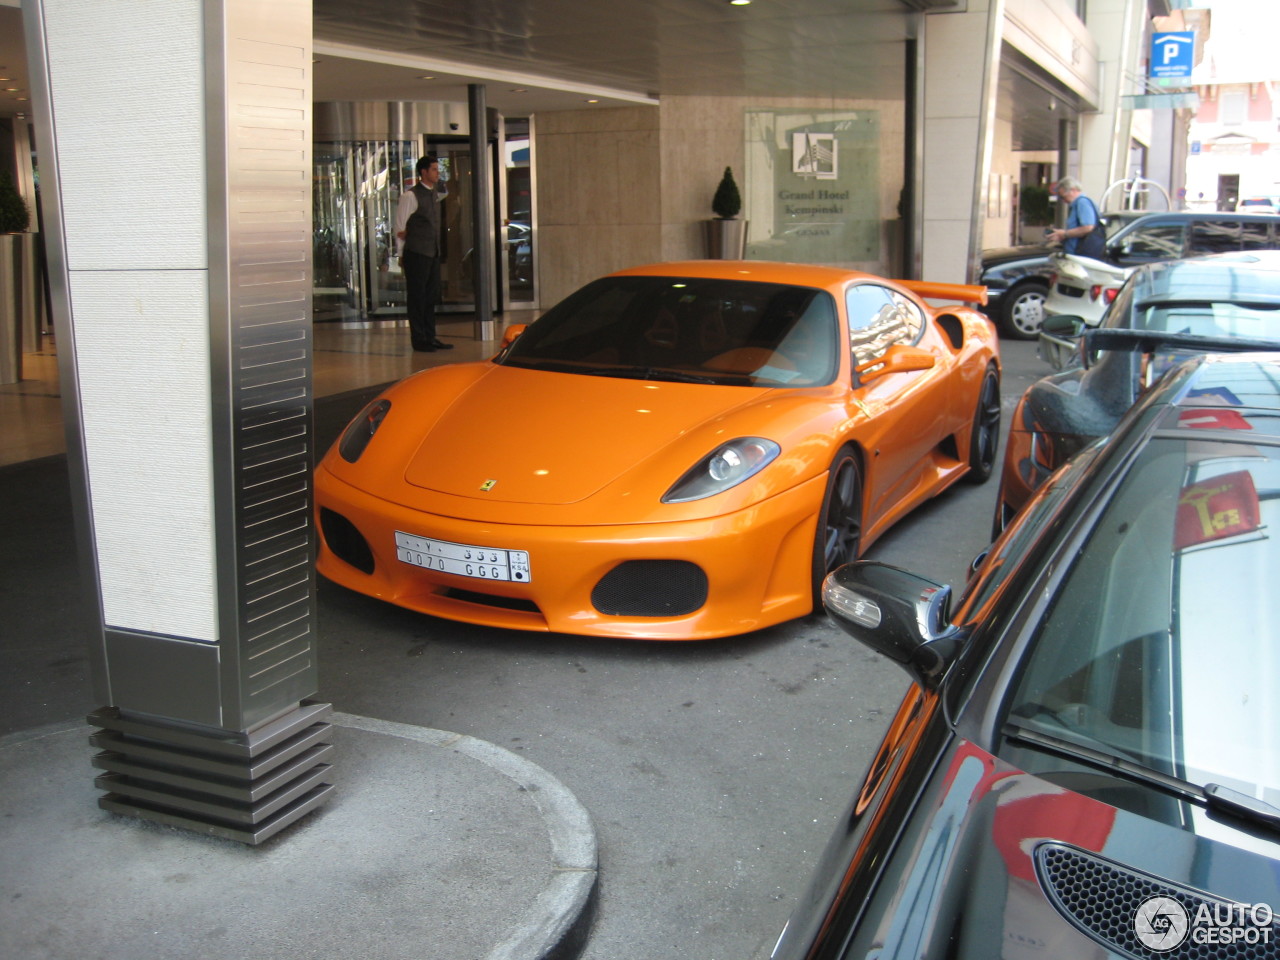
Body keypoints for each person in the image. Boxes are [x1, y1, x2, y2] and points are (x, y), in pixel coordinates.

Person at [394, 155, 454, 352]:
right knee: (417, 297)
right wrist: (400, 254)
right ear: (424, 172)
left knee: (430, 297)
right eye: (435, 169)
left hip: (432, 253)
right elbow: (400, 227)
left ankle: (430, 336)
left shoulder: (435, 194)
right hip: (416, 253)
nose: (438, 173)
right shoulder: (410, 196)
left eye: (438, 169)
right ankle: (419, 339)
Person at [1048, 177, 1106, 259]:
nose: (1063, 201)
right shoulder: (1080, 203)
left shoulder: (1082, 202)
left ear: (1073, 190)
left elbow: (1088, 227)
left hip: (1080, 253)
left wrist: (1064, 234)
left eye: (1063, 196)